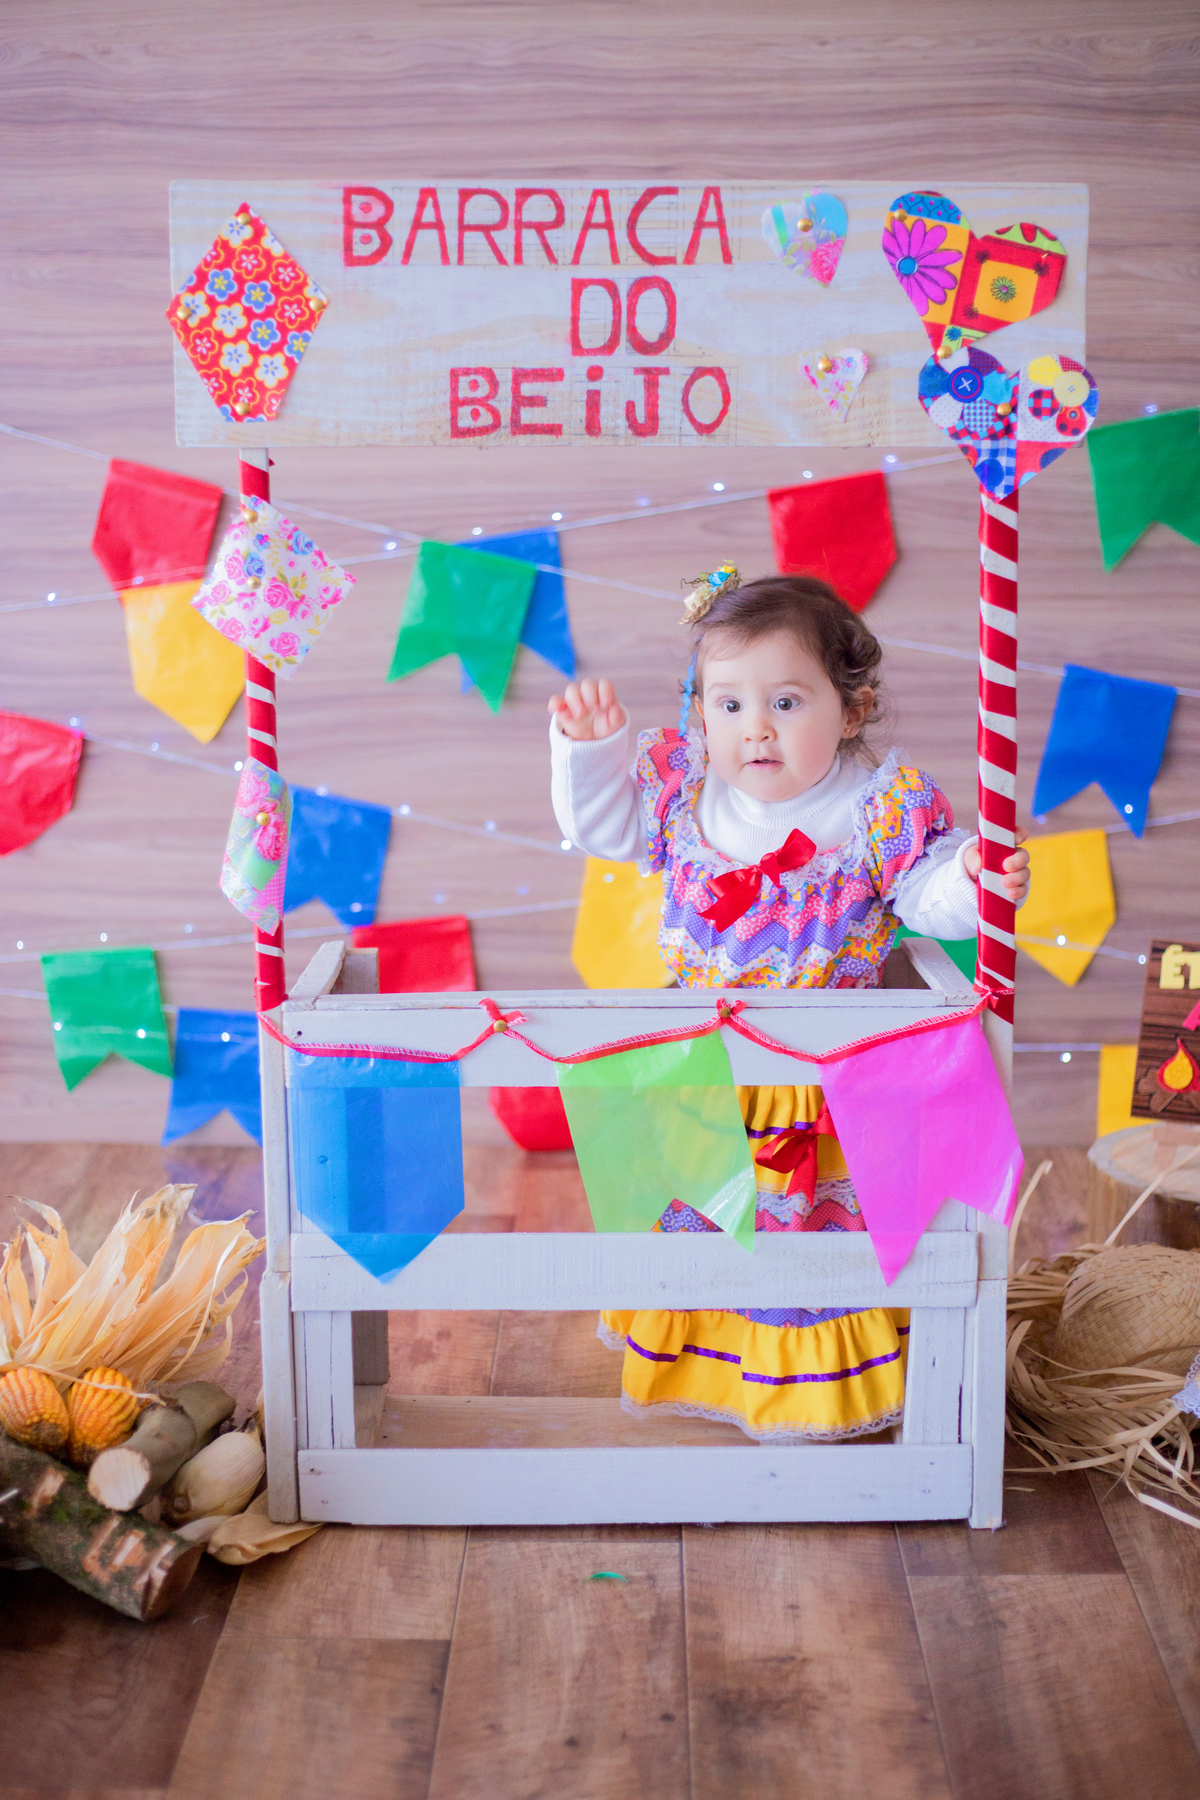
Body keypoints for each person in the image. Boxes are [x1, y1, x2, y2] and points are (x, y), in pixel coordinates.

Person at [548, 568, 1030, 1442]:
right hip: (710, 1075)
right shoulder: (688, 796)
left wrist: (968, 878)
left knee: (811, 1239)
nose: (754, 729)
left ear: (851, 710)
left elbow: (925, 897)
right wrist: (592, 753)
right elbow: (602, 828)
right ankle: (714, 1360)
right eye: (727, 705)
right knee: (713, 1225)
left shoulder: (878, 807)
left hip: (831, 1084)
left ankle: (816, 1383)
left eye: (785, 701)